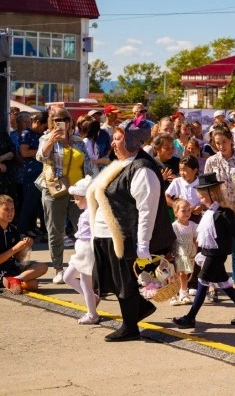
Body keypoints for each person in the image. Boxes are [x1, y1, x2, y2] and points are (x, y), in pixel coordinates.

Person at [87, 116, 175, 341]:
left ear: (132, 142)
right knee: (116, 282)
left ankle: (130, 327)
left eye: (118, 139)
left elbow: (147, 210)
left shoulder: (142, 169)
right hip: (109, 235)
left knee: (124, 283)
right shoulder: (123, 164)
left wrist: (143, 244)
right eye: (114, 139)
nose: (113, 144)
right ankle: (139, 311)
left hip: (125, 237)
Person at [172, 173, 235, 329]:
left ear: (212, 194)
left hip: (217, 254)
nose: (201, 200)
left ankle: (190, 317)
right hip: (209, 253)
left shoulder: (224, 213)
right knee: (224, 283)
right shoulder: (209, 213)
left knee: (202, 281)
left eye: (203, 197)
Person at [36, 108, 91, 284]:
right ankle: (59, 268)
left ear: (70, 122)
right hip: (55, 189)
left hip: (78, 192)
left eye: (65, 119)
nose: (61, 122)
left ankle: (84, 267)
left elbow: (87, 165)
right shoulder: (46, 138)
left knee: (83, 229)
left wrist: (92, 185)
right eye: (57, 119)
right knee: (55, 231)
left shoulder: (78, 141)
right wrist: (51, 141)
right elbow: (40, 157)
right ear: (52, 122)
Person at [204, 127, 235, 289]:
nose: (221, 146)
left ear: (231, 140)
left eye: (224, 142)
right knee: (216, 249)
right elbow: (206, 188)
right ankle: (214, 283)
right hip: (219, 211)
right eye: (217, 143)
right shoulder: (212, 161)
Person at [62, 177, 100, 324]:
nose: (75, 202)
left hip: (87, 249)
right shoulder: (87, 211)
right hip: (81, 248)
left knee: (85, 281)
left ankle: (92, 314)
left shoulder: (92, 212)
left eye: (77, 199)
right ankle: (93, 299)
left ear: (86, 197)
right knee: (68, 277)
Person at [0, 195, 47, 294]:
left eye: (12, 209)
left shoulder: (13, 229)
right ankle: (11, 280)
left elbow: (17, 258)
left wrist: (25, 247)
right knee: (31, 284)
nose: (11, 212)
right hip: (1, 270)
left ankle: (15, 279)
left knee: (42, 268)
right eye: (6, 209)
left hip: (11, 267)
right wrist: (16, 248)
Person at [18, 111, 47, 238]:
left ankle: (40, 229)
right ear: (37, 122)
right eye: (44, 126)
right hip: (31, 174)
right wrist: (43, 151)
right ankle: (21, 231)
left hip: (44, 173)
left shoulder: (43, 135)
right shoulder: (26, 134)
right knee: (29, 203)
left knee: (42, 205)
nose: (44, 129)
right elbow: (24, 153)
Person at [169, 199, 197, 306]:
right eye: (183, 211)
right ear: (176, 213)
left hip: (188, 254)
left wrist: (195, 251)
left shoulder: (193, 225)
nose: (187, 213)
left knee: (184, 274)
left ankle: (183, 293)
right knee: (174, 275)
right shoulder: (174, 226)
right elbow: (170, 241)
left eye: (189, 210)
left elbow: (194, 240)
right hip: (177, 254)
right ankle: (172, 295)